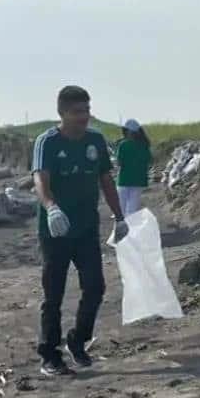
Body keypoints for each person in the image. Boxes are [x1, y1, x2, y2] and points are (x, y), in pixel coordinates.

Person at [32, 85, 128, 376]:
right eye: (77, 112)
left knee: (96, 287)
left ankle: (78, 340)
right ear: (62, 113)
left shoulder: (96, 141)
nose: (83, 116)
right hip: (56, 230)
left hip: (87, 227)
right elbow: (40, 179)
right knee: (54, 294)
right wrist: (51, 207)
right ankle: (50, 354)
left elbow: (106, 179)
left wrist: (119, 216)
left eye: (86, 110)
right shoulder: (47, 142)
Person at [114, 118, 153, 216]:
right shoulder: (144, 145)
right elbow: (149, 161)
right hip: (139, 180)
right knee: (132, 208)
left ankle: (121, 229)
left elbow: (119, 163)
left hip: (124, 179)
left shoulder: (123, 145)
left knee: (120, 208)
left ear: (126, 131)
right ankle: (131, 229)